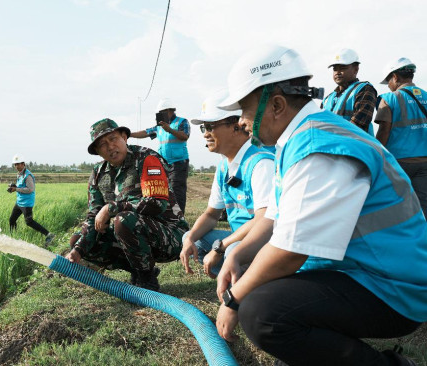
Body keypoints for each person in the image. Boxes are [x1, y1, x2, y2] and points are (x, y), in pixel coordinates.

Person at [212, 45, 427, 365]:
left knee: (262, 312)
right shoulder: (298, 138)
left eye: (244, 109)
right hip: (366, 272)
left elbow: (290, 251)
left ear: (277, 105)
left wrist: (233, 300)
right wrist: (239, 254)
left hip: (393, 288)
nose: (241, 122)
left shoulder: (319, 145)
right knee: (263, 289)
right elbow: (274, 217)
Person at [66, 118, 189, 291]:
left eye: (113, 139)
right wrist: (78, 250)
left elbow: (157, 203)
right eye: (102, 144)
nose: (110, 147)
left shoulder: (147, 158)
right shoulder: (98, 173)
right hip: (133, 235)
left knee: (123, 219)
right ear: (98, 151)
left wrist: (111, 208)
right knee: (79, 240)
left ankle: (147, 281)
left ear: (124, 137)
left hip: (171, 236)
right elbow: (94, 215)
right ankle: (141, 269)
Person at [179, 91, 274, 278]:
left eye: (210, 126)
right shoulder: (224, 165)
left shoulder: (261, 163)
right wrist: (190, 237)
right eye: (203, 128)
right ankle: (233, 278)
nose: (206, 134)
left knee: (233, 251)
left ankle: (245, 291)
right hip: (239, 237)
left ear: (236, 126)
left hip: (265, 241)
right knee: (193, 239)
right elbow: (211, 214)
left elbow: (264, 220)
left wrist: (221, 247)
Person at [375, 57, 427, 217]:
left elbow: (384, 130)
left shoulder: (389, 99)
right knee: (422, 208)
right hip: (425, 163)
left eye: (388, 81)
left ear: (395, 77)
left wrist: (376, 155)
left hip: (398, 164)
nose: (389, 86)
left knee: (397, 209)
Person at [130, 98, 190, 214]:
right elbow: (146, 132)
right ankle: (169, 215)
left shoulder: (182, 122)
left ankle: (179, 217)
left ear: (169, 111)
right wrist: (129, 134)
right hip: (164, 164)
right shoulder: (159, 127)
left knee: (177, 191)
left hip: (178, 163)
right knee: (165, 190)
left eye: (161, 112)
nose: (159, 115)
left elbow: (185, 136)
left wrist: (170, 130)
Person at [321, 48, 377, 135]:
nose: (338, 72)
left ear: (356, 69)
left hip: (356, 147)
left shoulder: (365, 89)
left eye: (343, 68)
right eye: (335, 69)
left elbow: (358, 125)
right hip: (331, 147)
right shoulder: (327, 99)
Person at [7, 154, 55, 245]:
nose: (16, 166)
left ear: (23, 164)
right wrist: (14, 187)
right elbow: (22, 186)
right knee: (12, 220)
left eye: (18, 164)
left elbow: (30, 189)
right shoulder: (20, 174)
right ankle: (14, 239)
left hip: (27, 203)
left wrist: (16, 189)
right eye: (15, 164)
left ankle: (49, 235)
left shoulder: (28, 175)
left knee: (29, 222)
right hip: (19, 202)